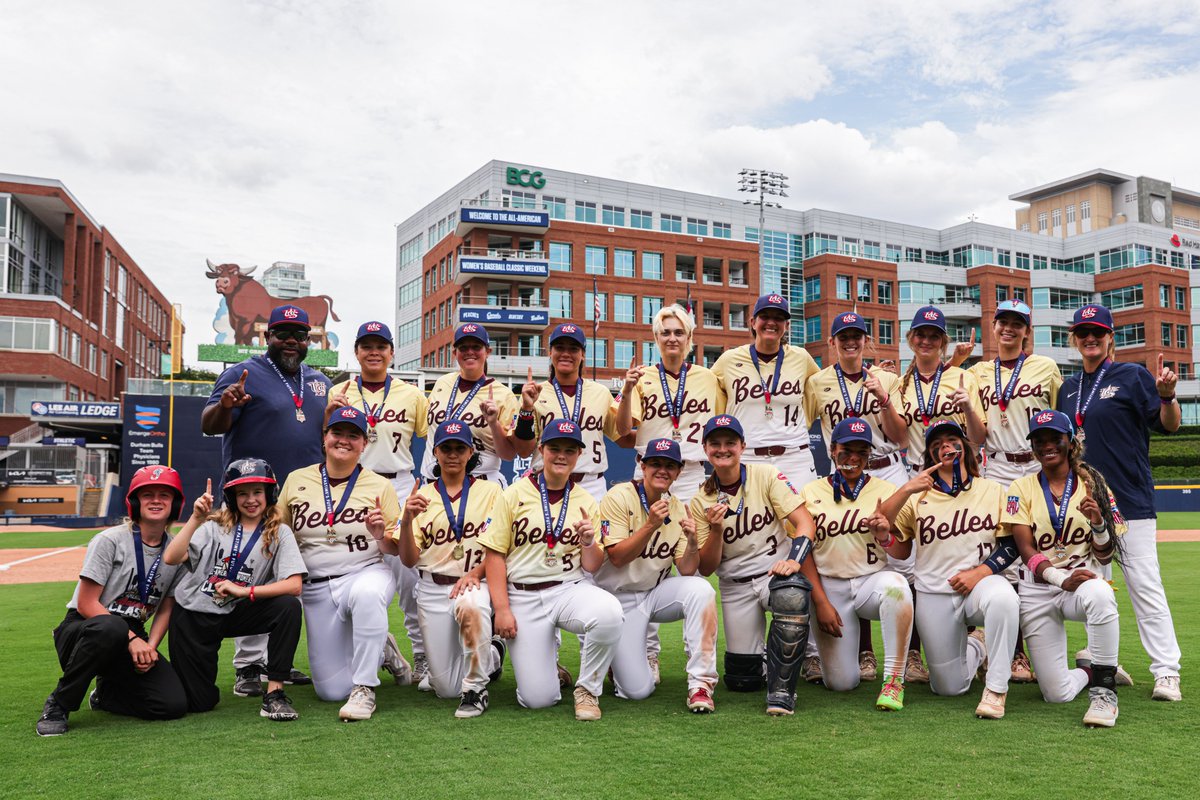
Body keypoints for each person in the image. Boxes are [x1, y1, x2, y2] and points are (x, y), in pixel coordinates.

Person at [1057, 303, 1182, 701]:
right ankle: (1104, 663)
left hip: (1129, 501)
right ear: (1075, 339)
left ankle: (1166, 671)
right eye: (1083, 332)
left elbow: (1169, 424)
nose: (1090, 338)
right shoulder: (1068, 388)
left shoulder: (1131, 376)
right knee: (1093, 588)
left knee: (1145, 587)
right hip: (1085, 507)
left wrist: (1168, 397)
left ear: (1110, 337)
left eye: (1098, 331)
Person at [202, 303, 329, 696]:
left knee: (288, 581)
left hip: (304, 499)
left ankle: (278, 662)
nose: (291, 341)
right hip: (253, 497)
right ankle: (248, 666)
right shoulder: (243, 373)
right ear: (267, 336)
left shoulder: (319, 381)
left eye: (299, 335)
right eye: (282, 333)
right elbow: (209, 425)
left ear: (308, 340)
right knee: (249, 573)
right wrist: (225, 405)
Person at [870, 420, 1019, 719]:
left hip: (980, 585)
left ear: (965, 447)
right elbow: (894, 539)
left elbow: (1012, 545)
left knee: (1004, 598)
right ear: (930, 456)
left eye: (952, 440)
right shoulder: (917, 497)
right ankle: (977, 646)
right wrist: (906, 490)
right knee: (949, 688)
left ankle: (996, 689)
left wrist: (980, 573)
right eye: (937, 445)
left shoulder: (993, 490)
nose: (946, 447)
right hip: (934, 592)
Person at [481, 419, 624, 721]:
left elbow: (592, 565)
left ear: (579, 455)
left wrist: (588, 542)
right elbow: (494, 555)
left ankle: (587, 690)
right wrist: (502, 609)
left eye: (569, 450)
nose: (561, 455)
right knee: (538, 700)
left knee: (609, 612)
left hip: (567, 588)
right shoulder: (513, 494)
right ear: (541, 450)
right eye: (554, 448)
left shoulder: (586, 499)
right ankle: (549, 671)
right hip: (523, 594)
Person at [35, 466, 188, 736]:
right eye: (147, 495)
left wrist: (150, 648)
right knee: (112, 626)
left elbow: (166, 608)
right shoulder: (110, 540)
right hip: (86, 628)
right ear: (134, 502)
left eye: (164, 495)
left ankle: (106, 694)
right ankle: (59, 703)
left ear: (175, 504)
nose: (156, 500)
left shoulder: (176, 551)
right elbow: (86, 603)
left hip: (131, 633)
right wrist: (132, 639)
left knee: (171, 704)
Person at [277, 406, 405, 721]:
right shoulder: (297, 479)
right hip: (316, 586)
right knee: (331, 692)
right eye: (337, 432)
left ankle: (365, 688)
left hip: (365, 571)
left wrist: (380, 535)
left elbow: (394, 549)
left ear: (364, 443)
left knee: (367, 595)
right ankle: (382, 647)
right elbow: (279, 532)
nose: (344, 440)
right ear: (325, 437)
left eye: (353, 435)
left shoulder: (379, 485)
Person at [804, 310, 908, 683]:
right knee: (849, 554)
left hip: (886, 467)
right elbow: (802, 429)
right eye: (843, 336)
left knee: (902, 568)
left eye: (856, 336)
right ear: (832, 342)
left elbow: (902, 436)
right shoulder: (817, 382)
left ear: (866, 341)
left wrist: (884, 399)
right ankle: (862, 651)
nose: (850, 342)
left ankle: (908, 657)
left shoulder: (888, 379)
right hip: (844, 471)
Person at [1004, 410, 1125, 727]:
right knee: (1056, 694)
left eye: (1055, 438)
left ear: (1070, 442)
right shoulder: (1020, 487)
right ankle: (1089, 670)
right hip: (1038, 588)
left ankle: (1104, 692)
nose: (1047, 446)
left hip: (1080, 581)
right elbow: (1025, 549)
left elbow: (1105, 556)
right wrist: (1060, 579)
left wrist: (1098, 523)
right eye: (1039, 440)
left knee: (1101, 594)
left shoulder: (1093, 483)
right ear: (1033, 447)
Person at [688, 414, 815, 716]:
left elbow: (805, 523)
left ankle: (782, 692)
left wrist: (793, 561)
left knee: (792, 595)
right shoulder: (701, 499)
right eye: (715, 443)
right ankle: (767, 657)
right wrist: (716, 530)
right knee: (742, 680)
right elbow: (706, 568)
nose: (723, 449)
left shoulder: (766, 475)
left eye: (730, 442)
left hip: (774, 574)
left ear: (743, 446)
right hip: (736, 586)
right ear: (705, 449)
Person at [163, 460, 305, 721]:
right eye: (242, 493)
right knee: (199, 703)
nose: (250, 500)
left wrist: (245, 592)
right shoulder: (213, 526)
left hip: (238, 610)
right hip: (195, 614)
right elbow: (171, 557)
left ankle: (274, 694)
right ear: (231, 497)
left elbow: (294, 585)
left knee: (288, 607)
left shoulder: (279, 532)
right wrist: (196, 519)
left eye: (257, 492)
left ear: (270, 494)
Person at [328, 321, 428, 687]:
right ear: (356, 352)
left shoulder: (412, 394)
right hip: (352, 488)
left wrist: (422, 487)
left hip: (397, 485)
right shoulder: (339, 391)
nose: (374, 352)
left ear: (391, 352)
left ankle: (422, 655)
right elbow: (330, 440)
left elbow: (425, 441)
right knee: (351, 572)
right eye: (367, 345)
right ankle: (384, 647)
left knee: (410, 577)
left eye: (380, 346)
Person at [967, 299, 1062, 685]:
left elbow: (1060, 421)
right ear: (993, 326)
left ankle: (1044, 648)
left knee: (1042, 552)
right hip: (999, 466)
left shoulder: (1046, 367)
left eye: (1017, 323)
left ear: (1027, 331)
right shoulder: (977, 373)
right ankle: (1013, 652)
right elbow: (976, 434)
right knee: (1006, 554)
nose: (1008, 328)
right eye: (1002, 321)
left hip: (1038, 465)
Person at [591, 437, 719, 711]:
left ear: (679, 472)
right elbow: (617, 558)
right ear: (643, 466)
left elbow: (686, 569)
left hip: (653, 595)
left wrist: (693, 543)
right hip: (616, 600)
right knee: (638, 691)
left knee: (701, 589)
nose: (662, 470)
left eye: (670, 466)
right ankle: (615, 658)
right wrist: (650, 525)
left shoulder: (677, 507)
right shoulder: (619, 496)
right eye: (655, 464)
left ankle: (701, 683)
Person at [797, 419, 914, 711]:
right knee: (841, 683)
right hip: (830, 587)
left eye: (862, 452)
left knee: (898, 587)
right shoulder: (810, 491)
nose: (854, 458)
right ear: (832, 450)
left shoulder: (886, 490)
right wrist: (820, 602)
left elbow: (902, 552)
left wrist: (885, 536)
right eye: (847, 450)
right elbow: (803, 553)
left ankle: (894, 681)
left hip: (871, 581)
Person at [396, 421, 506, 718]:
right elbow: (408, 559)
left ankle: (477, 689)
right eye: (446, 448)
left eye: (460, 448)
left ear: (471, 452)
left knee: (472, 605)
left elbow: (501, 547)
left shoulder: (492, 492)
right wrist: (406, 520)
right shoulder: (422, 496)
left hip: (474, 581)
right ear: (436, 452)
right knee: (445, 689)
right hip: (433, 586)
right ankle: (492, 655)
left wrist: (476, 574)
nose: (453, 454)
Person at [615, 304, 725, 504]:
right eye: (665, 333)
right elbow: (622, 430)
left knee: (691, 524)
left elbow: (720, 424)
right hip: (650, 469)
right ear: (656, 338)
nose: (672, 338)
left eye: (679, 333)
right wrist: (627, 390)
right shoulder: (641, 377)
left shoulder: (708, 378)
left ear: (688, 338)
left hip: (690, 472)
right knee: (647, 524)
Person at [711, 293, 820, 486]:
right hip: (748, 456)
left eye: (778, 318)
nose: (771, 322)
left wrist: (877, 373)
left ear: (787, 325)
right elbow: (704, 390)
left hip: (794, 456)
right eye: (765, 316)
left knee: (802, 507)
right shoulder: (729, 359)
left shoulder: (801, 357)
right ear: (753, 322)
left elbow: (825, 387)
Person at [517, 323, 620, 502]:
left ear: (582, 354)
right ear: (550, 352)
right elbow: (524, 451)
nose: (566, 353)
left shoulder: (601, 393)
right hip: (546, 483)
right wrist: (526, 409)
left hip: (591, 484)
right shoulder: (535, 393)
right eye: (559, 347)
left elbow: (622, 436)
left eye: (573, 348)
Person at [421, 323, 520, 485]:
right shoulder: (442, 383)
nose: (470, 352)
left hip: (480, 484)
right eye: (463, 347)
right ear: (455, 353)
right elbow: (430, 433)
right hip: (434, 482)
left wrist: (493, 424)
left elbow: (509, 455)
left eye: (476, 347)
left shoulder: (504, 395)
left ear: (488, 351)